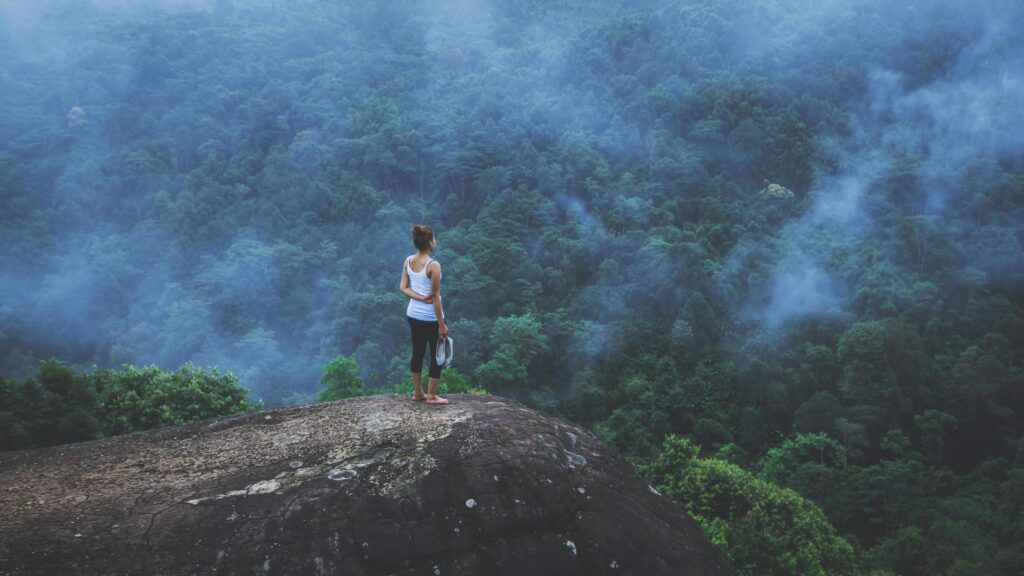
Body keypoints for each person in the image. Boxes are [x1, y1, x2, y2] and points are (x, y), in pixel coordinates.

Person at [399, 224, 450, 405]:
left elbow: (403, 288)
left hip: (413, 314)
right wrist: (441, 325)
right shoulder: (433, 265)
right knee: (437, 354)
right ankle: (432, 395)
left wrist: (420, 298)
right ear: (430, 243)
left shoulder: (408, 261)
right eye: (433, 238)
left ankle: (418, 393)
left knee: (417, 352)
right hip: (430, 318)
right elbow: (435, 297)